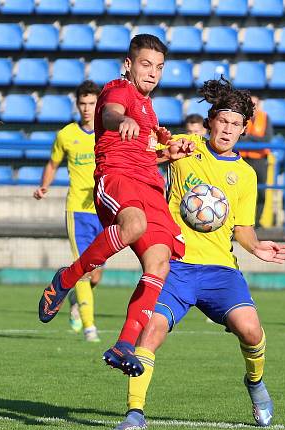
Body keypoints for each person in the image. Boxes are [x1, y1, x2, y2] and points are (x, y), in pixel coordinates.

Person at [114, 78, 285, 430]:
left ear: (244, 129)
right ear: (211, 121)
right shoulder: (186, 146)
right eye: (222, 121)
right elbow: (142, 154)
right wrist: (153, 147)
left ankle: (255, 384)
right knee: (152, 330)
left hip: (219, 271)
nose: (227, 130)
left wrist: (256, 246)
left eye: (235, 125)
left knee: (251, 332)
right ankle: (135, 412)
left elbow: (242, 227)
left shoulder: (244, 175)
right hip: (175, 266)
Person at [37, 34, 195, 376]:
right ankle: (67, 278)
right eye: (145, 64)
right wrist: (120, 120)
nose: (153, 73)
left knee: (160, 263)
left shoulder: (149, 109)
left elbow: (145, 153)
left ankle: (124, 343)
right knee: (133, 225)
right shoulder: (118, 90)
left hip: (150, 185)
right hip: (117, 177)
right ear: (129, 64)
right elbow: (110, 114)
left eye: (159, 67)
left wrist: (168, 153)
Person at [33, 80, 103, 342]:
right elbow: (53, 163)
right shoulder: (66, 135)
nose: (87, 109)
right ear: (77, 105)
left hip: (104, 210)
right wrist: (44, 186)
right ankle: (89, 328)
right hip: (78, 211)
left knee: (95, 275)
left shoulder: (108, 133)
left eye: (91, 103)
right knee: (84, 268)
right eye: (83, 104)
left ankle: (73, 298)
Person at [238, 95, 274, 227]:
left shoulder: (265, 118)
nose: (252, 107)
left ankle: (257, 221)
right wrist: (252, 138)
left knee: (261, 191)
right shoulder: (240, 117)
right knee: (241, 192)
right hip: (242, 159)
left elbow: (267, 139)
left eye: (255, 104)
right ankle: (240, 222)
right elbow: (238, 138)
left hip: (259, 160)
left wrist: (249, 137)